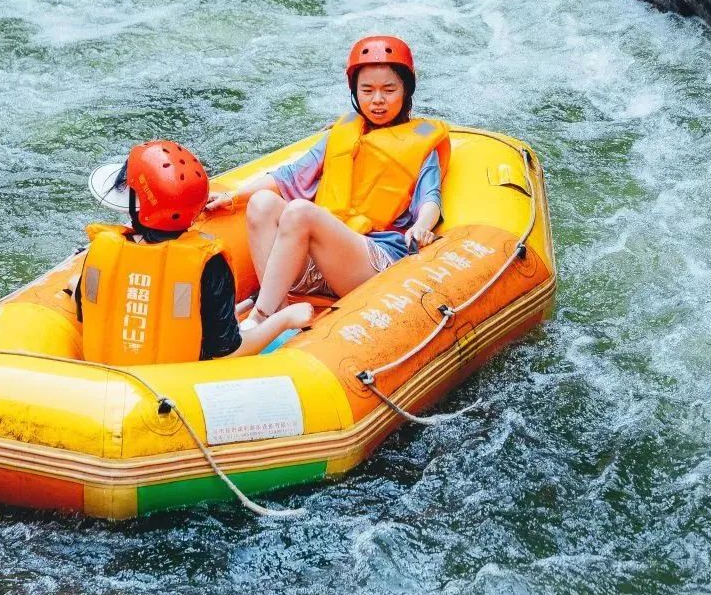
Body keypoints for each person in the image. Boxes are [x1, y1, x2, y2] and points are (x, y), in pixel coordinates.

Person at [207, 35, 449, 326]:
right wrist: (233, 196)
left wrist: (421, 228)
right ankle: (280, 309)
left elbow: (430, 200)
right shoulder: (341, 134)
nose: (377, 100)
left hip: (373, 262)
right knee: (261, 204)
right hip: (322, 261)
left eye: (389, 89)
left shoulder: (421, 145)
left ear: (405, 91)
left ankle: (261, 318)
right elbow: (287, 176)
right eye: (367, 90)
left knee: (300, 211)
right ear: (355, 92)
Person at [77, 140, 310, 366]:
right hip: (180, 386)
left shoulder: (101, 251)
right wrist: (284, 319)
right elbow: (227, 354)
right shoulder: (209, 263)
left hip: (108, 382)